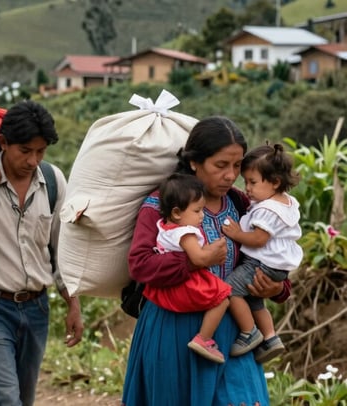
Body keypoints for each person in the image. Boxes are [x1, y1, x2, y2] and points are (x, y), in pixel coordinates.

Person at [122, 116, 292, 406]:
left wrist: (277, 289)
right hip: (172, 330)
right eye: (220, 165)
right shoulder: (163, 204)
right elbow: (140, 264)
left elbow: (274, 254)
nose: (230, 175)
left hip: (234, 332)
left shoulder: (244, 206)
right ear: (194, 162)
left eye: (237, 166)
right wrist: (194, 262)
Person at [0, 100, 83, 405]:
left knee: (23, 400)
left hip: (37, 309)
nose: (33, 160)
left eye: (40, 151)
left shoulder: (52, 181)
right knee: (5, 400)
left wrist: (73, 304)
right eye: (25, 151)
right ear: (4, 143)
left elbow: (60, 248)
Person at [221, 143, 301, 363]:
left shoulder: (266, 209)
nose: (247, 188)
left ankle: (249, 332)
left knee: (229, 291)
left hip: (260, 264)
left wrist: (236, 234)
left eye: (252, 182)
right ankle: (271, 337)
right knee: (254, 301)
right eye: (245, 181)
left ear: (275, 182)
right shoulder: (286, 202)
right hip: (277, 268)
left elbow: (258, 239)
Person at [147, 173, 231, 364]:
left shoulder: (164, 226)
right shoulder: (186, 232)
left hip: (167, 285)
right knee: (223, 298)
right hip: (187, 282)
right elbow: (198, 258)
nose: (202, 215)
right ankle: (204, 338)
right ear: (177, 213)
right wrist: (215, 250)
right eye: (197, 211)